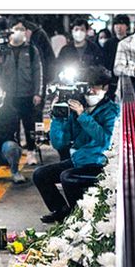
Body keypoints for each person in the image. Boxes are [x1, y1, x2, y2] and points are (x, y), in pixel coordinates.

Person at [35, 67, 119, 223]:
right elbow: (60, 143)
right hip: (80, 160)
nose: (91, 91)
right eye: (88, 86)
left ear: (106, 88)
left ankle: (79, 218)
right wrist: (58, 117)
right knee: (40, 175)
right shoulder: (77, 106)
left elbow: (104, 140)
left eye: (95, 86)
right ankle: (62, 210)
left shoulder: (112, 110)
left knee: (67, 176)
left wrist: (83, 115)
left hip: (100, 163)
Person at [0, 17, 44, 151]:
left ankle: (31, 151)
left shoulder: (32, 50)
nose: (19, 32)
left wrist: (38, 93)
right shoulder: (2, 50)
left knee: (29, 125)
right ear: (10, 31)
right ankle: (14, 150)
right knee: (10, 125)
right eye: (16, 29)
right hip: (8, 95)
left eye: (22, 29)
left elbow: (38, 72)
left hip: (27, 93)